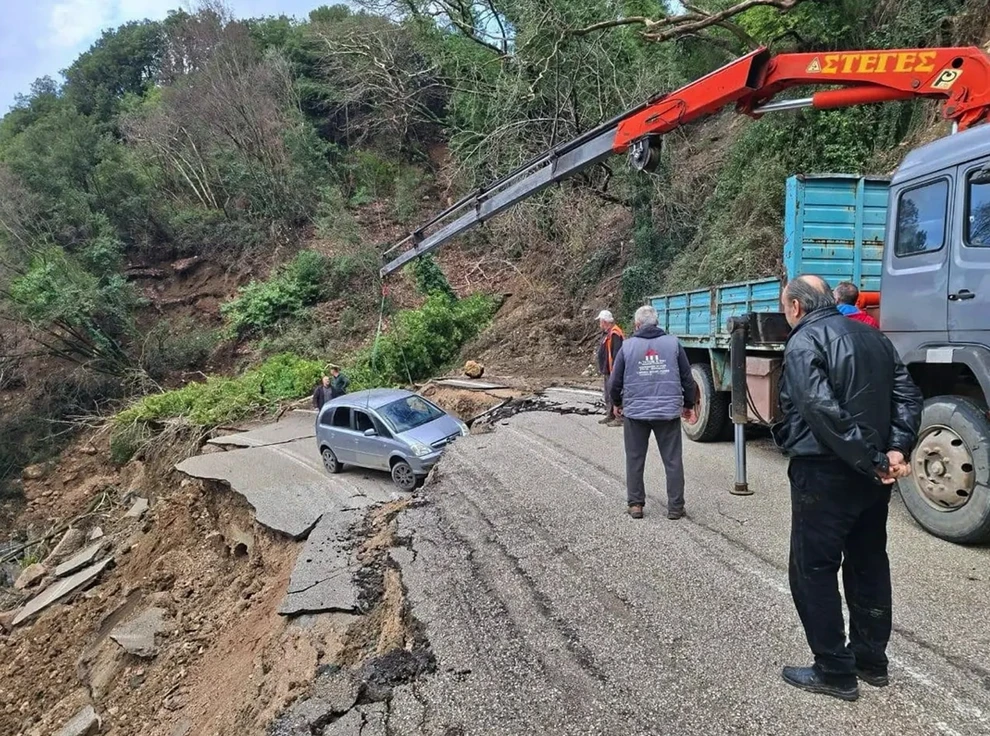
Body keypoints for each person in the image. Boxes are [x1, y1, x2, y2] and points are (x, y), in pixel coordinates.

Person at [772, 274, 922, 702]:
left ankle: (834, 670)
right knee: (868, 561)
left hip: (825, 471)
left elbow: (821, 410)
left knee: (813, 569)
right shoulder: (874, 337)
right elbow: (908, 397)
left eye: (785, 308)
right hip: (872, 476)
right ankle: (871, 661)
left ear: (797, 307)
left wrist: (872, 459)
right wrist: (894, 450)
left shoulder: (804, 342)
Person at [609, 305, 697, 520]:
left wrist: (617, 403)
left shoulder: (627, 347)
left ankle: (636, 505)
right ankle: (675, 507)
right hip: (667, 413)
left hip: (636, 413)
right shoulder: (673, 344)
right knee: (673, 460)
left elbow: (614, 381)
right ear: (657, 323)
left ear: (637, 325)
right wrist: (688, 404)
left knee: (635, 458)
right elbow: (688, 378)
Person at [596, 309, 625, 426]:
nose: (599, 324)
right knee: (608, 393)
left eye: (600, 322)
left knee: (614, 393)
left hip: (612, 370)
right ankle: (610, 414)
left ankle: (619, 417)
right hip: (607, 369)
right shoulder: (609, 333)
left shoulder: (615, 334)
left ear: (604, 322)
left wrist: (615, 371)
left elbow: (616, 354)